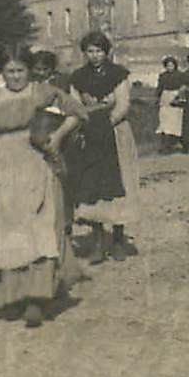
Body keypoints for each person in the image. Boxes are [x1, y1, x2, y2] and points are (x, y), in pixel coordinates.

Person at [0, 47, 88, 328]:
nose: (15, 76)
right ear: (2, 73)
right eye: (9, 71)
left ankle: (37, 300)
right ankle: (13, 296)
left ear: (29, 71)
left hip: (33, 161)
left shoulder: (39, 92)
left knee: (37, 228)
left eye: (20, 71)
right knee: (7, 229)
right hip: (2, 162)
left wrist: (57, 136)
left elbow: (77, 111)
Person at [65, 31, 141, 263]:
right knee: (94, 185)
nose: (95, 55)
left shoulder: (118, 74)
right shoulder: (78, 77)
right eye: (90, 51)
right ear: (85, 53)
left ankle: (117, 239)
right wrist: (90, 117)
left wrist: (105, 121)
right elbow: (75, 105)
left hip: (115, 133)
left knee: (119, 182)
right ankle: (97, 240)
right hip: (90, 134)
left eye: (99, 51)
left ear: (106, 52)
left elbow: (122, 104)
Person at [155, 55, 185, 152]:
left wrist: (179, 97)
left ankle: (175, 143)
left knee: (176, 121)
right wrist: (157, 98)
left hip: (176, 97)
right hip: (165, 98)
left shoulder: (180, 75)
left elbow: (183, 88)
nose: (170, 67)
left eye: (171, 65)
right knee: (165, 121)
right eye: (168, 66)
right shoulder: (163, 76)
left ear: (175, 66)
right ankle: (165, 144)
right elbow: (159, 88)